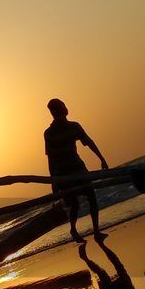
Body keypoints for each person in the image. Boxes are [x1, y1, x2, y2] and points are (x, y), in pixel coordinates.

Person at [44, 98, 109, 242]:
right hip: (71, 171)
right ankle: (93, 232)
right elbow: (51, 157)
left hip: (66, 172)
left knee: (77, 202)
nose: (66, 108)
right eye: (63, 106)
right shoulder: (64, 129)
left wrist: (54, 180)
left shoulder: (55, 131)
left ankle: (79, 230)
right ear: (60, 110)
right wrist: (102, 158)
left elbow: (51, 159)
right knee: (89, 198)